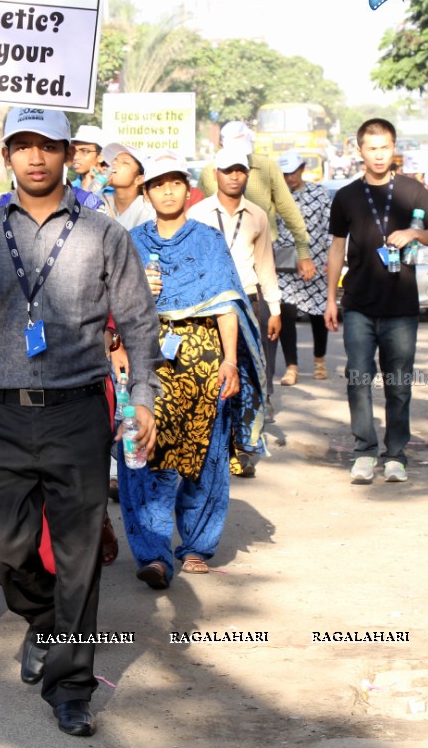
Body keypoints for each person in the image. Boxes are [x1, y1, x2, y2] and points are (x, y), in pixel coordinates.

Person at [0, 107, 161, 738]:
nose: (35, 157)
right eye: (22, 146)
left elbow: (140, 322)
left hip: (77, 411)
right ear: (6, 155)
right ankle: (45, 619)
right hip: (3, 412)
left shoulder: (102, 233)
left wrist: (142, 396)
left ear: (69, 153)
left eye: (48, 146)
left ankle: (71, 687)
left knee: (79, 555)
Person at [118, 153, 262, 590]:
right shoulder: (130, 241)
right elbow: (111, 303)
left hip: (204, 359)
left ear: (187, 189)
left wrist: (231, 360)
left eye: (175, 182)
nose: (167, 190)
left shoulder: (206, 240)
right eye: (158, 184)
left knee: (206, 453)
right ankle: (153, 553)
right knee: (143, 450)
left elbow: (226, 304)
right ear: (146, 191)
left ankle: (198, 546)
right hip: (147, 357)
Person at [324, 118, 428, 483]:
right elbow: (336, 248)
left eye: (385, 147)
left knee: (399, 383)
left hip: (401, 306)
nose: (379, 155)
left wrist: (413, 233)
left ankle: (396, 455)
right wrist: (331, 298)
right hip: (358, 304)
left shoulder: (412, 190)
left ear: (395, 149)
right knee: (358, 379)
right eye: (372, 148)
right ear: (359, 151)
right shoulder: (346, 196)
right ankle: (364, 452)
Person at [187, 146, 279, 477]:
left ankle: (241, 448)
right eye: (228, 170)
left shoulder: (257, 215)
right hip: (207, 304)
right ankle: (211, 448)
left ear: (247, 174)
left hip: (248, 302)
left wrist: (275, 307)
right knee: (210, 375)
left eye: (240, 170)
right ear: (216, 175)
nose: (234, 176)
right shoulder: (197, 213)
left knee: (245, 376)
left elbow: (266, 263)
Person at [197, 121, 318, 283]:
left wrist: (303, 254)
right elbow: (199, 215)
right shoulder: (209, 173)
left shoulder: (267, 168)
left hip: (262, 253)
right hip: (221, 254)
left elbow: (289, 210)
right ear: (220, 145)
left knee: (265, 302)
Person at [274, 150, 332, 386]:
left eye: (294, 172)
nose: (290, 178)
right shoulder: (275, 197)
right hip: (286, 265)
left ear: (302, 169)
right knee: (286, 313)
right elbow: (271, 230)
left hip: (316, 264)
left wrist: (330, 260)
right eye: (285, 174)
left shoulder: (319, 194)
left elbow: (330, 228)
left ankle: (320, 359)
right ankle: (292, 366)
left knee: (317, 313)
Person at [101, 142, 155, 230]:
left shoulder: (148, 210)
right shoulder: (98, 200)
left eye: (125, 162)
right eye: (114, 160)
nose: (114, 164)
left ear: (139, 179)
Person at [70, 124, 110, 194]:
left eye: (84, 151)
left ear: (100, 157)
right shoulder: (68, 189)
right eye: (74, 151)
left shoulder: (111, 191)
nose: (75, 157)